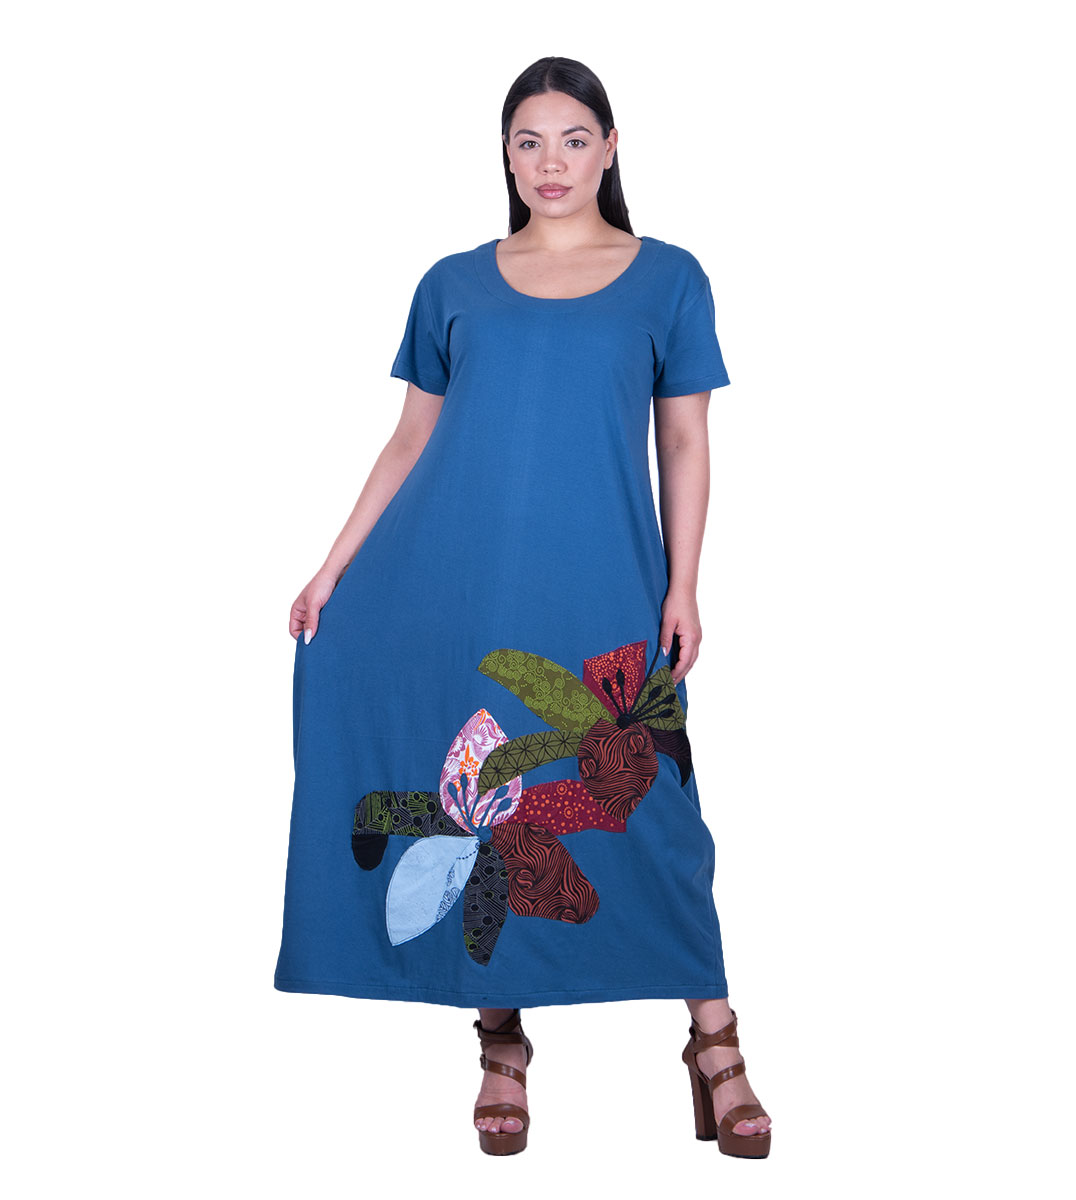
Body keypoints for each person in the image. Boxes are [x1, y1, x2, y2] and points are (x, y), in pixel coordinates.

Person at [274, 55, 772, 1159]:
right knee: (488, 800)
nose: (552, 163)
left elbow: (685, 440)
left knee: (656, 812)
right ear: (505, 155)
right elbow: (412, 439)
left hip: (605, 590)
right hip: (456, 586)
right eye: (529, 142)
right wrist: (332, 569)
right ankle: (501, 1043)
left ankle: (715, 1038)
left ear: (611, 147)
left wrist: (685, 584)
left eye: (574, 140)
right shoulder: (453, 282)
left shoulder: (668, 278)